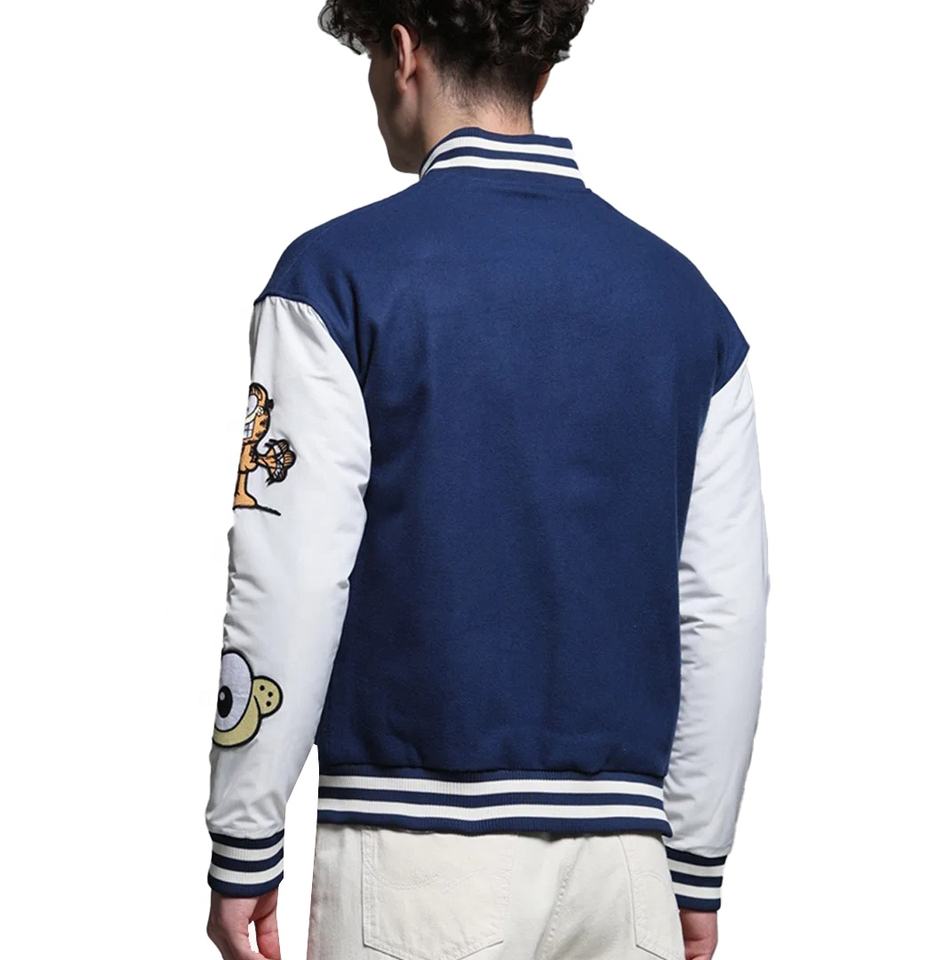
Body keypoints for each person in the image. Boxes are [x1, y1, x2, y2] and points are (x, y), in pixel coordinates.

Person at [204, 3, 769, 959]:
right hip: (626, 870)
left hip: (414, 859)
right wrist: (694, 860)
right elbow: (726, 607)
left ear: (403, 50)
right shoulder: (691, 308)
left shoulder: (334, 279)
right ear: (540, 71)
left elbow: (289, 575)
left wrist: (244, 835)